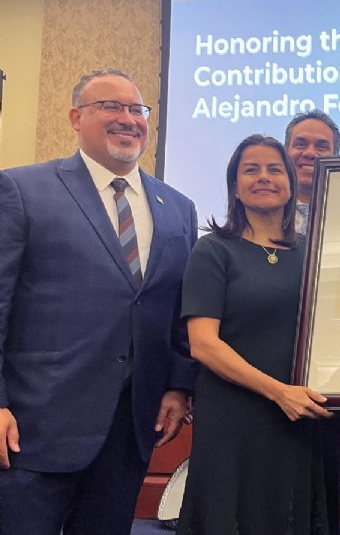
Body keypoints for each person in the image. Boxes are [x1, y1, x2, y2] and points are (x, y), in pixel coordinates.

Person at [0, 68, 197, 534]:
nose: (128, 119)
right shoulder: (21, 190)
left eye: (137, 109)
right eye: (111, 106)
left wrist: (177, 385)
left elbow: (177, 308)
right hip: (34, 427)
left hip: (129, 429)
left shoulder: (178, 207)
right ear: (75, 117)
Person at [175, 134, 332, 534]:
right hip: (234, 416)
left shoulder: (312, 254)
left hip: (297, 415)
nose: (264, 177)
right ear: (235, 186)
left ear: (291, 184)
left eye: (274, 169)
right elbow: (204, 344)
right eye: (251, 170)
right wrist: (278, 392)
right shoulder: (213, 250)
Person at [284, 110, 340, 535]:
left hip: (331, 384)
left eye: (322, 146)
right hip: (263, 381)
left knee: (324, 496)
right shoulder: (255, 215)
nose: (309, 153)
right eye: (300, 143)